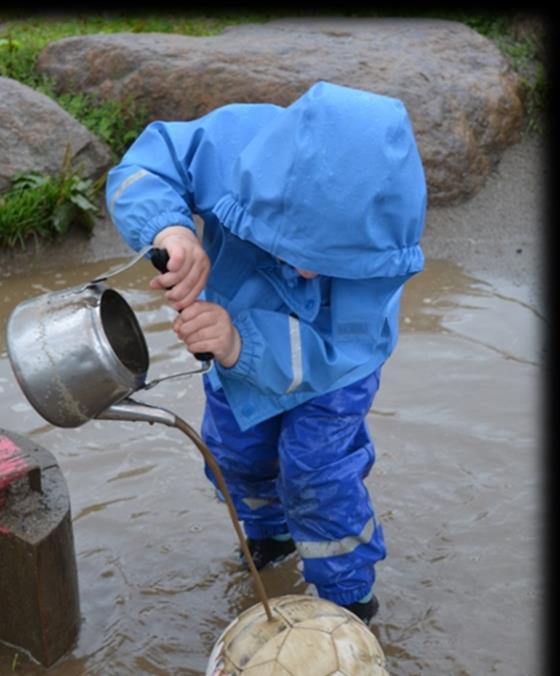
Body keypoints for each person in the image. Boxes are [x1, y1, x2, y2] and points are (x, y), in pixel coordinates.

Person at [106, 81, 427, 623]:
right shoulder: (236, 147)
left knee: (317, 477)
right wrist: (172, 229)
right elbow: (144, 168)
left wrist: (240, 342)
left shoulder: (380, 249)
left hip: (331, 377)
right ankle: (269, 538)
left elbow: (343, 350)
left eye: (327, 258)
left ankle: (349, 598)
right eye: (289, 244)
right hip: (228, 338)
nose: (304, 271)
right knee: (236, 456)